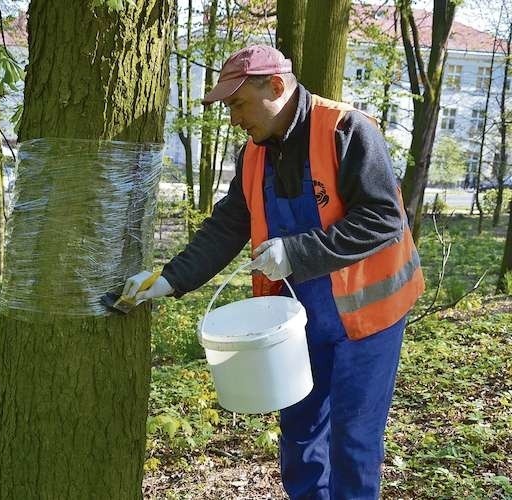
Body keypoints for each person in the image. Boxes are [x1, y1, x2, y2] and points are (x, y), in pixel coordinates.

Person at [123, 45, 424, 499]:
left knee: (353, 442)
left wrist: (297, 253)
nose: (234, 118)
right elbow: (228, 225)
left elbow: (382, 219)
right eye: (228, 108)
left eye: (239, 104)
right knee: (300, 437)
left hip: (369, 319)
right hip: (297, 321)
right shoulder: (254, 154)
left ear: (277, 87)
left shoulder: (347, 130)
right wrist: (170, 279)